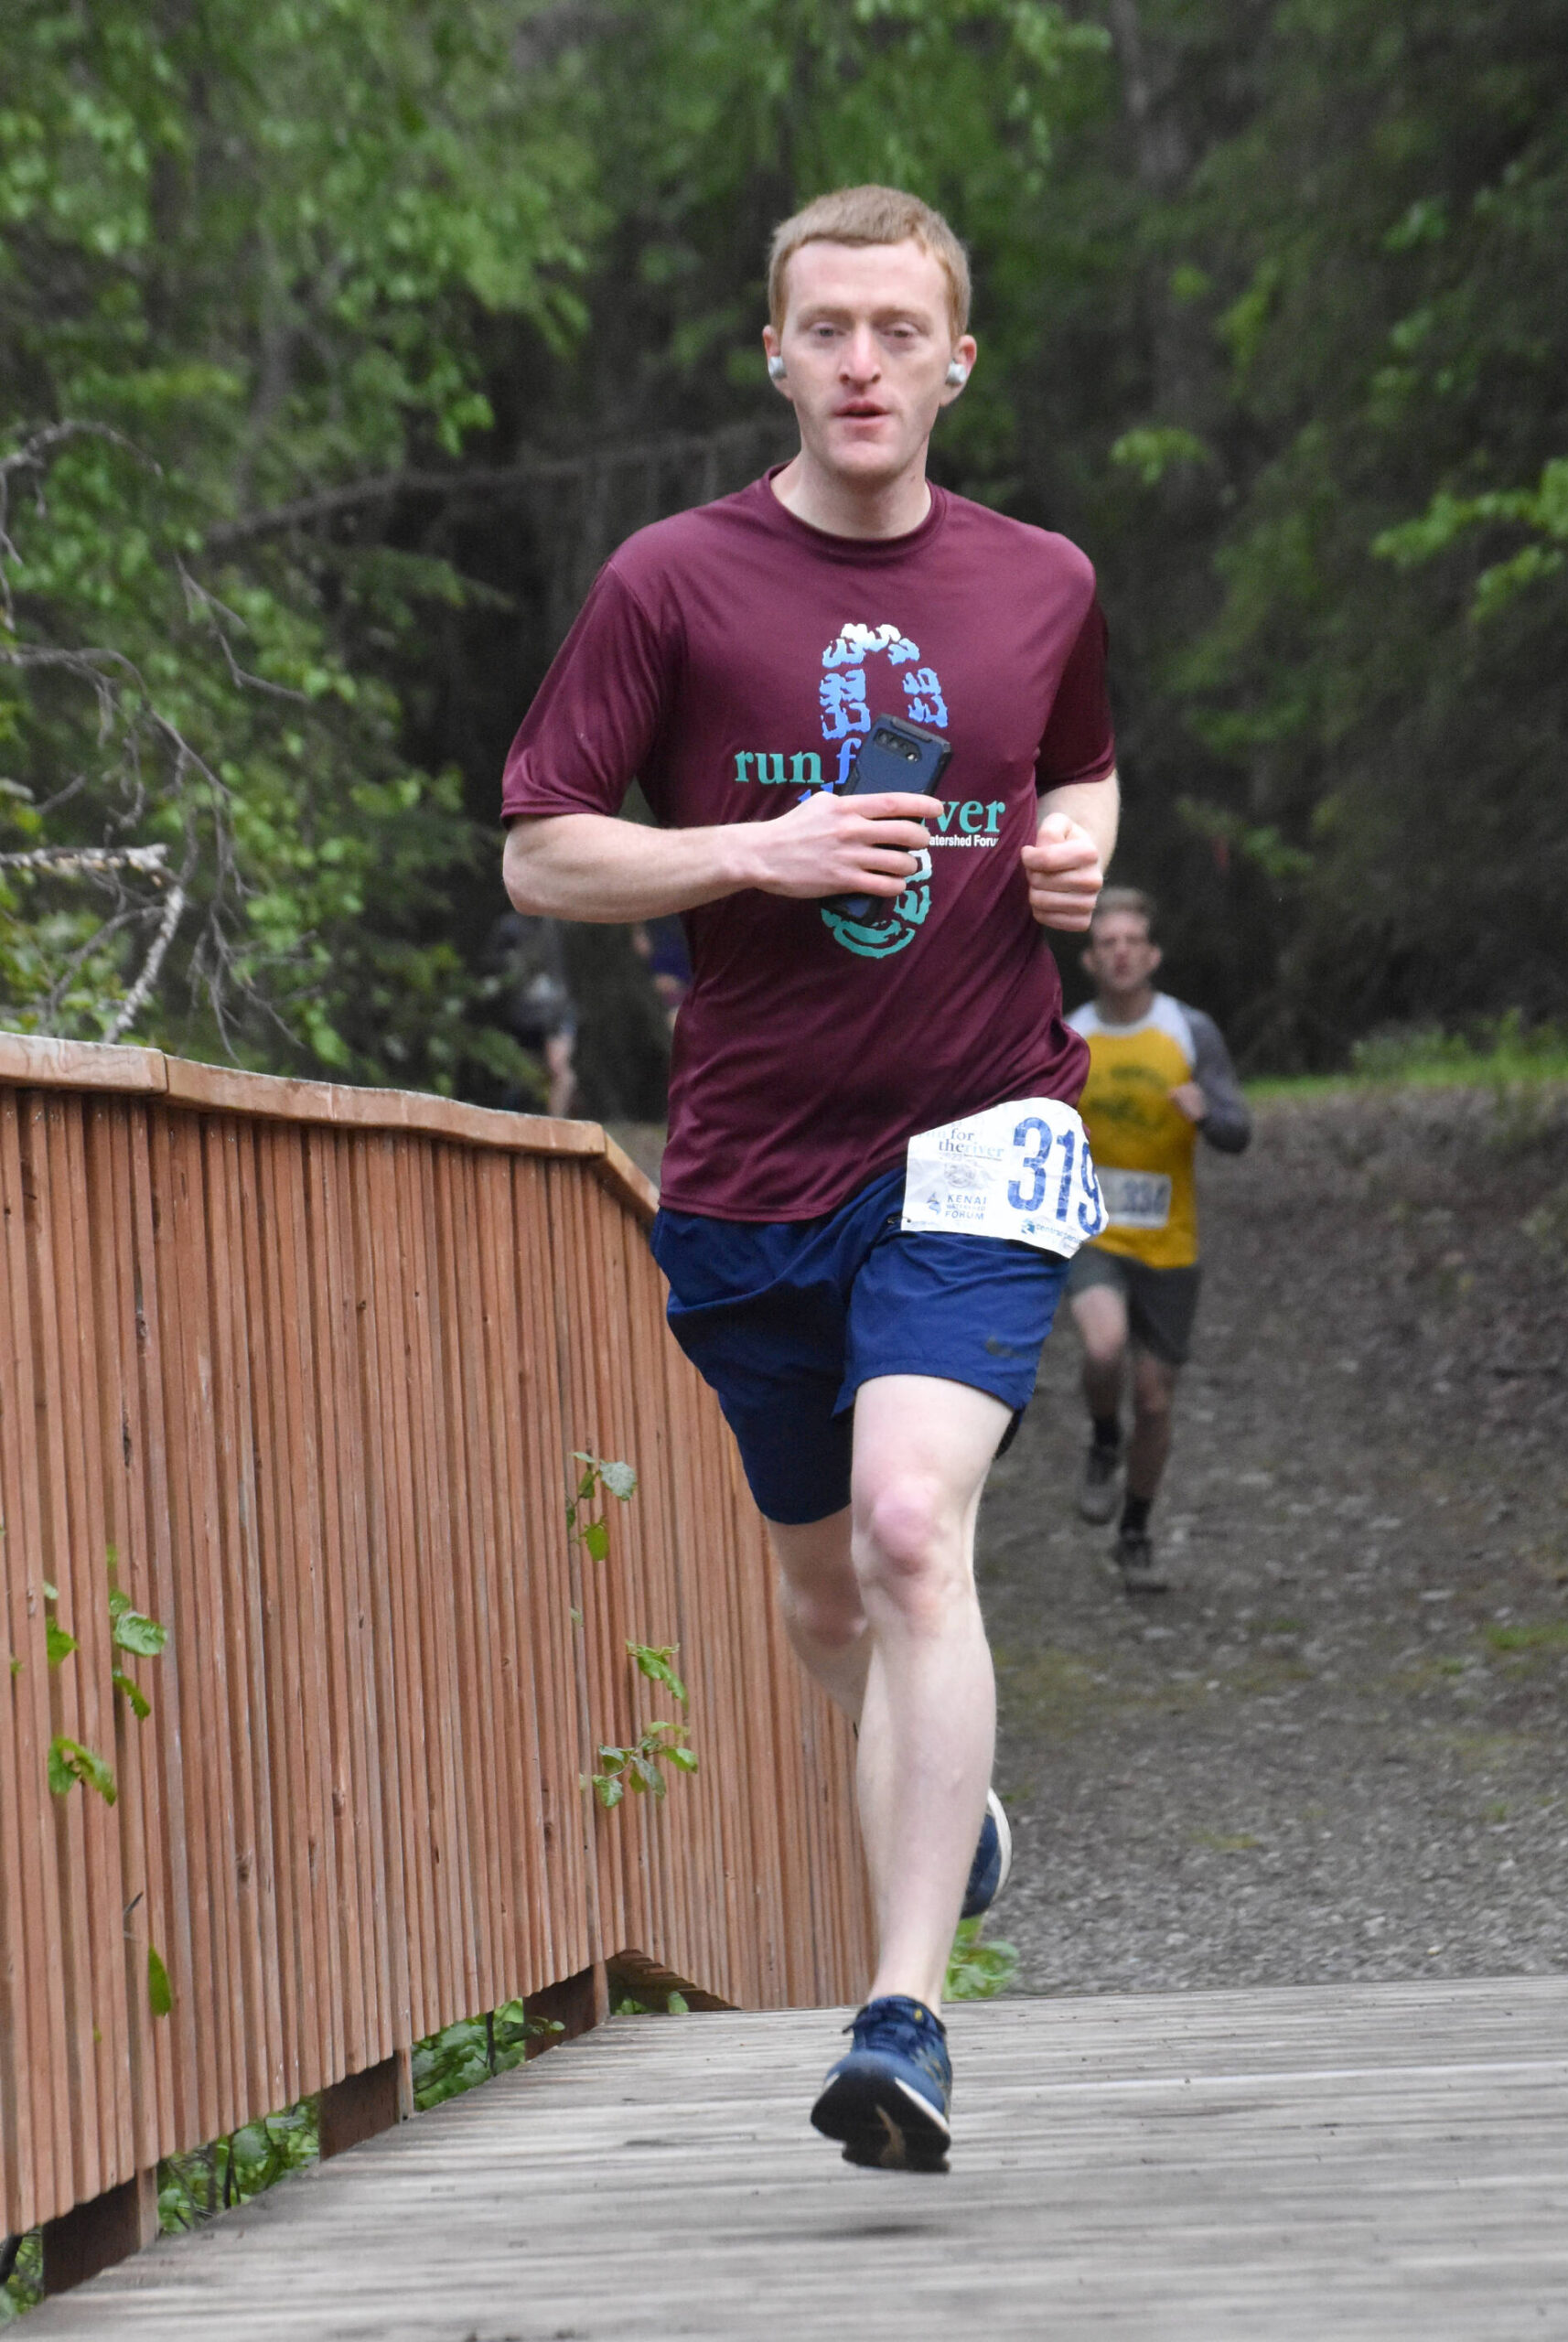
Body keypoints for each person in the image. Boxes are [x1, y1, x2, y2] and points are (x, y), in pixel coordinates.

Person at [501, 184, 1118, 2172]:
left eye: (897, 330)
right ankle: (956, 1802)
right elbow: (541, 848)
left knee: (914, 1525)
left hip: (982, 1127)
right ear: (774, 354)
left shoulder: (1042, 581)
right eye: (825, 328)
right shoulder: (674, 582)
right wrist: (744, 857)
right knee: (827, 1592)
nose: (861, 362)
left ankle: (905, 2011)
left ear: (957, 360)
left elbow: (1080, 763)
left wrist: (1074, 856)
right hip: (756, 1167)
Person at [1065, 889, 1250, 1594]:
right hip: (1095, 1233)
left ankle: (1136, 1531)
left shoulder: (1188, 1030)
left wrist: (1209, 1114)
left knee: (1156, 1401)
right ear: (1089, 958)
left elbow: (1239, 1128)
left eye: (1130, 941)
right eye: (1105, 941)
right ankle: (1102, 1441)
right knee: (1104, 1346)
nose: (1118, 952)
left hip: (1170, 1244)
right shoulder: (1070, 1034)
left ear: (1152, 956)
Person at [485, 908, 579, 1116]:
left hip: (557, 1010)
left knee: (560, 1071)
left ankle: (558, 1129)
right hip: (525, 1016)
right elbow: (492, 966)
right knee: (522, 1077)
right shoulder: (509, 926)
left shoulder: (555, 923)